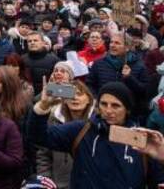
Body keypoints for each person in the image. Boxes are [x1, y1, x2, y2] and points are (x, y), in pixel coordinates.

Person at [32, 80, 164, 188]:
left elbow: (158, 181)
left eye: (115, 105)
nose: (108, 110)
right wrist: (42, 107)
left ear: (127, 109)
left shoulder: (142, 139)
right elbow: (39, 137)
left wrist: (162, 156)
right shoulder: (83, 130)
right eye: (104, 104)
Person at [34, 79, 95, 189]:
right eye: (70, 94)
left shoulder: (96, 125)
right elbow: (43, 155)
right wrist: (46, 181)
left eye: (79, 94)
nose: (75, 98)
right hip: (59, 184)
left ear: (89, 100)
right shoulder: (53, 120)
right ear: (64, 100)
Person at [87, 32, 148, 111]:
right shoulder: (99, 64)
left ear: (127, 47)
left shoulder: (139, 66)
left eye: (117, 43)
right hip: (103, 109)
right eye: (111, 42)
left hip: (129, 112)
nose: (112, 45)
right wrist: (97, 99)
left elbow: (144, 91)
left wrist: (129, 78)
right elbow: (89, 84)